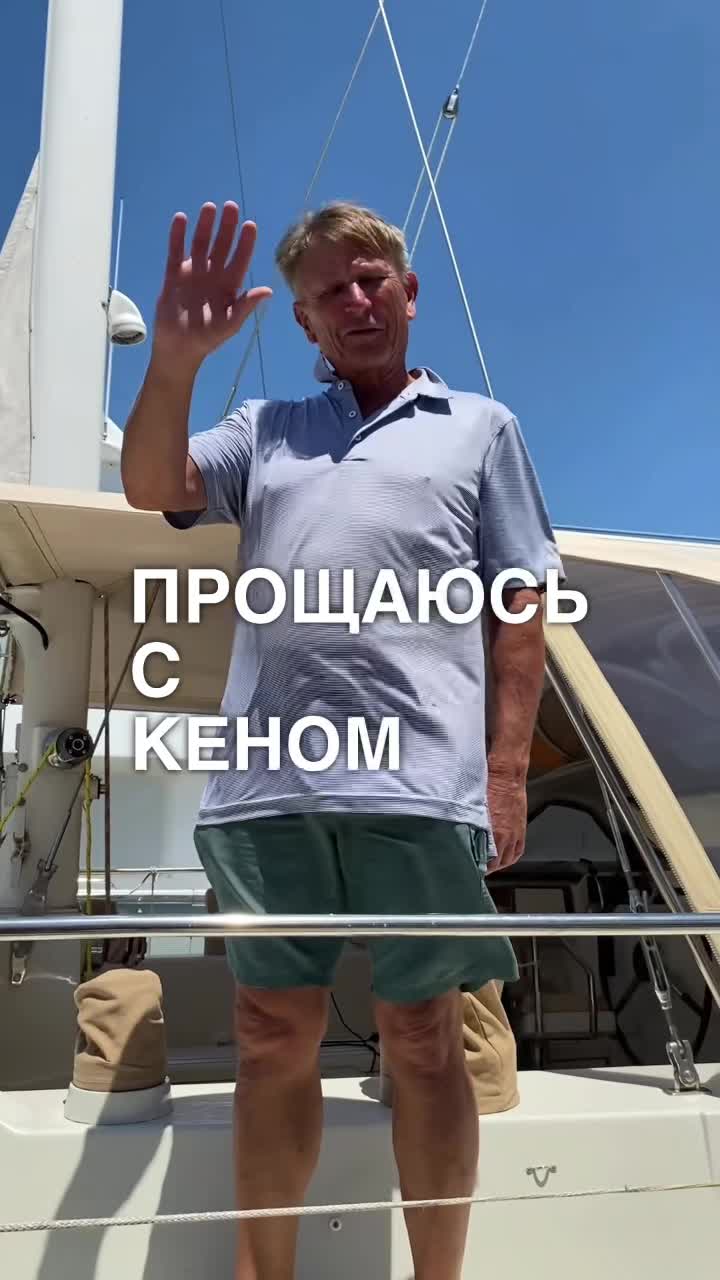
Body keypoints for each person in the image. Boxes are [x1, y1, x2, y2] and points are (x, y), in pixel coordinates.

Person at [121, 199, 562, 1280]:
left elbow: (521, 603)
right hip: (267, 792)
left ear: (408, 292)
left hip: (421, 787)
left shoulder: (481, 427)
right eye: (330, 290)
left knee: (424, 1035)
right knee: (271, 1035)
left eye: (371, 279)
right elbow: (152, 486)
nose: (356, 299)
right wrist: (174, 360)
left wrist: (508, 768)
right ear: (305, 322)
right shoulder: (263, 430)